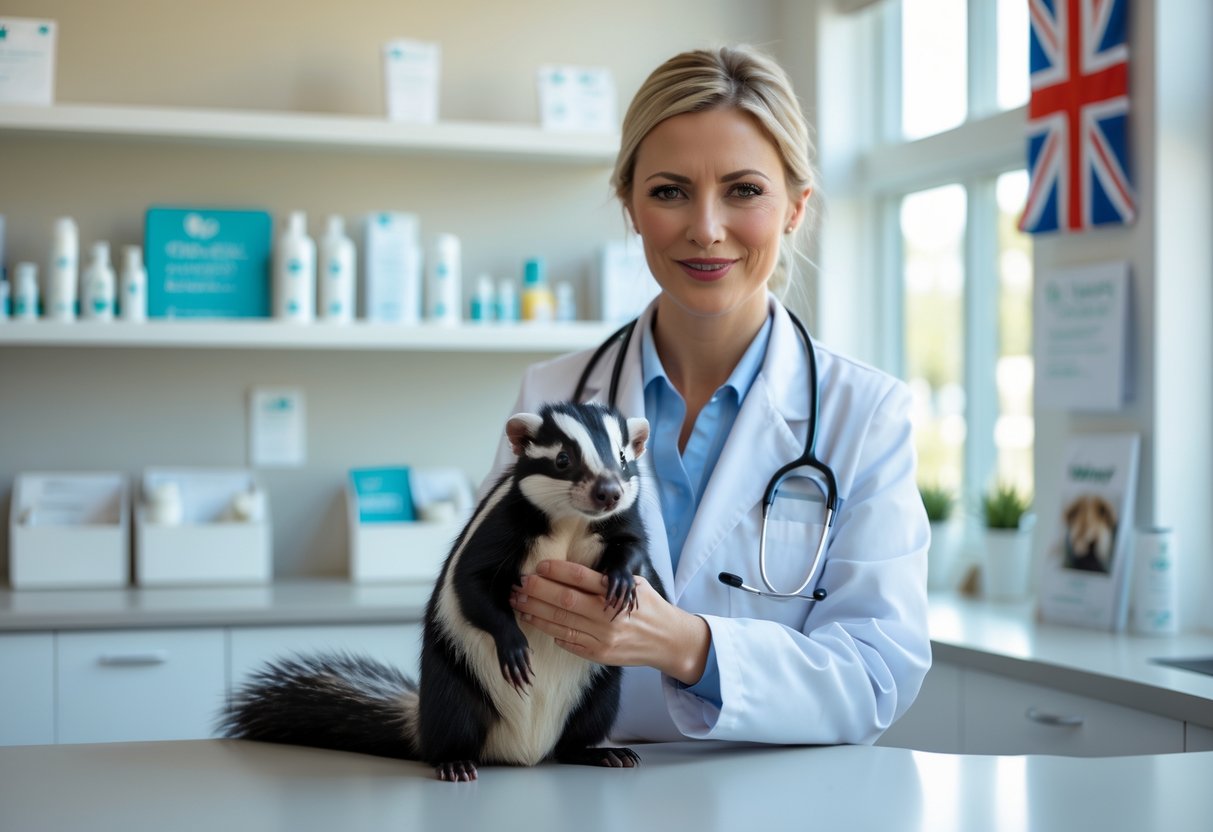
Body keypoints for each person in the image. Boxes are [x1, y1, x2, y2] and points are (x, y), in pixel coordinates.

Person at [490, 44, 931, 746]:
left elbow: (877, 675)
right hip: (582, 795)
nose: (704, 227)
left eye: (744, 190)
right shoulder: (551, 397)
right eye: (667, 191)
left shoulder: (865, 415)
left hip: (777, 804)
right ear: (629, 205)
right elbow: (487, 615)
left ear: (795, 206)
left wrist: (687, 646)